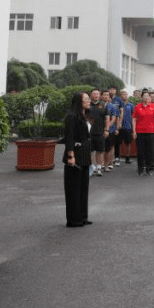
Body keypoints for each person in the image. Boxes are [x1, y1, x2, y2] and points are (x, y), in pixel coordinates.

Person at [62, 91, 92, 227]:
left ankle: (82, 216)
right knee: (74, 188)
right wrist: (70, 155)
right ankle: (74, 219)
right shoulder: (71, 117)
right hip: (75, 155)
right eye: (86, 99)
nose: (89, 101)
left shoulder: (84, 116)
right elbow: (69, 138)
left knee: (83, 188)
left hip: (84, 155)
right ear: (79, 101)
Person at [132, 90, 154, 176]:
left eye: (148, 96)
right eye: (145, 96)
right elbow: (134, 119)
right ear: (142, 97)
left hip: (150, 132)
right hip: (140, 132)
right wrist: (134, 131)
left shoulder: (153, 107)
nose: (146, 97)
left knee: (150, 151)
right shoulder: (137, 107)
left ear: (150, 98)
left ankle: (148, 168)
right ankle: (140, 168)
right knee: (140, 151)